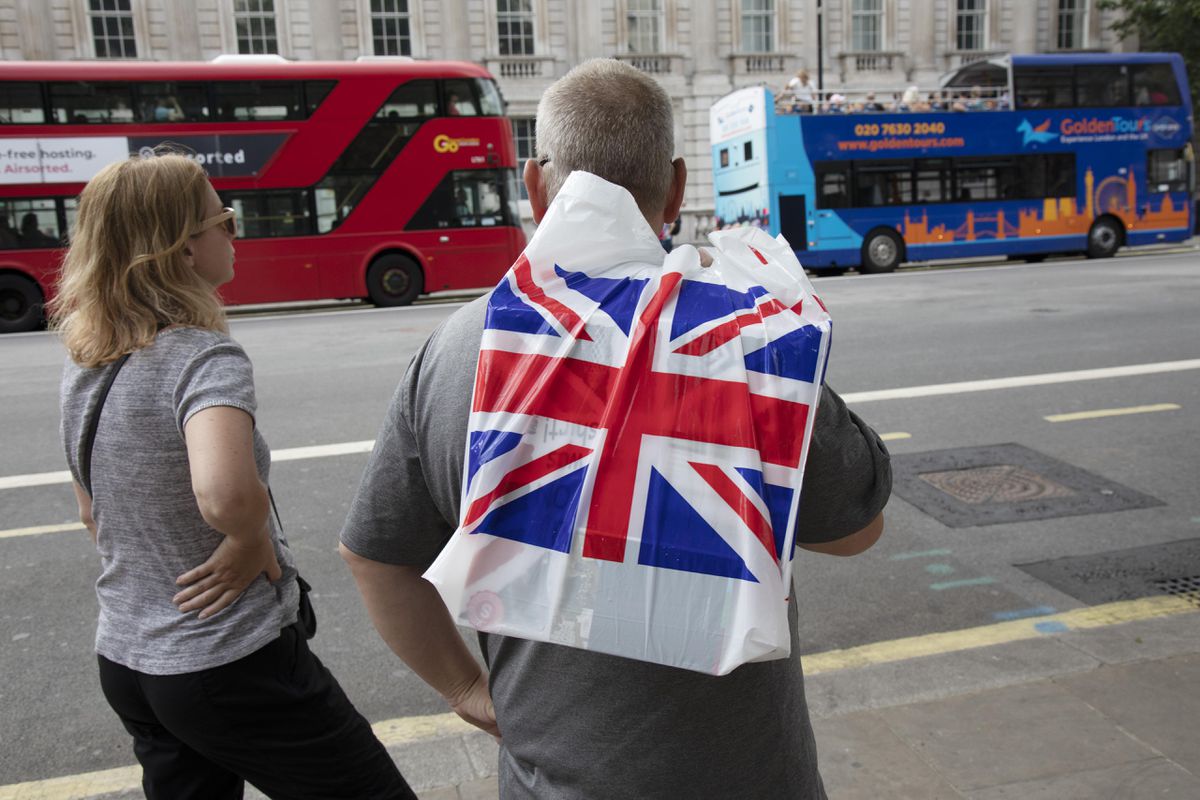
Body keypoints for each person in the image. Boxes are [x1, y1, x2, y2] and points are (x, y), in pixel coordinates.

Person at [339, 59, 890, 800]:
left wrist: (467, 689)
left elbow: (374, 557)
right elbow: (855, 529)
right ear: (678, 188)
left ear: (536, 187)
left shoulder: (455, 352)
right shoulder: (749, 341)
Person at [51, 152, 415, 800]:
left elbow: (90, 511)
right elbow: (223, 491)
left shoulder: (88, 361)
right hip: (226, 663)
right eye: (224, 219)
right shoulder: (201, 356)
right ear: (184, 250)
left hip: (129, 660)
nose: (235, 232)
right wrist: (248, 539)